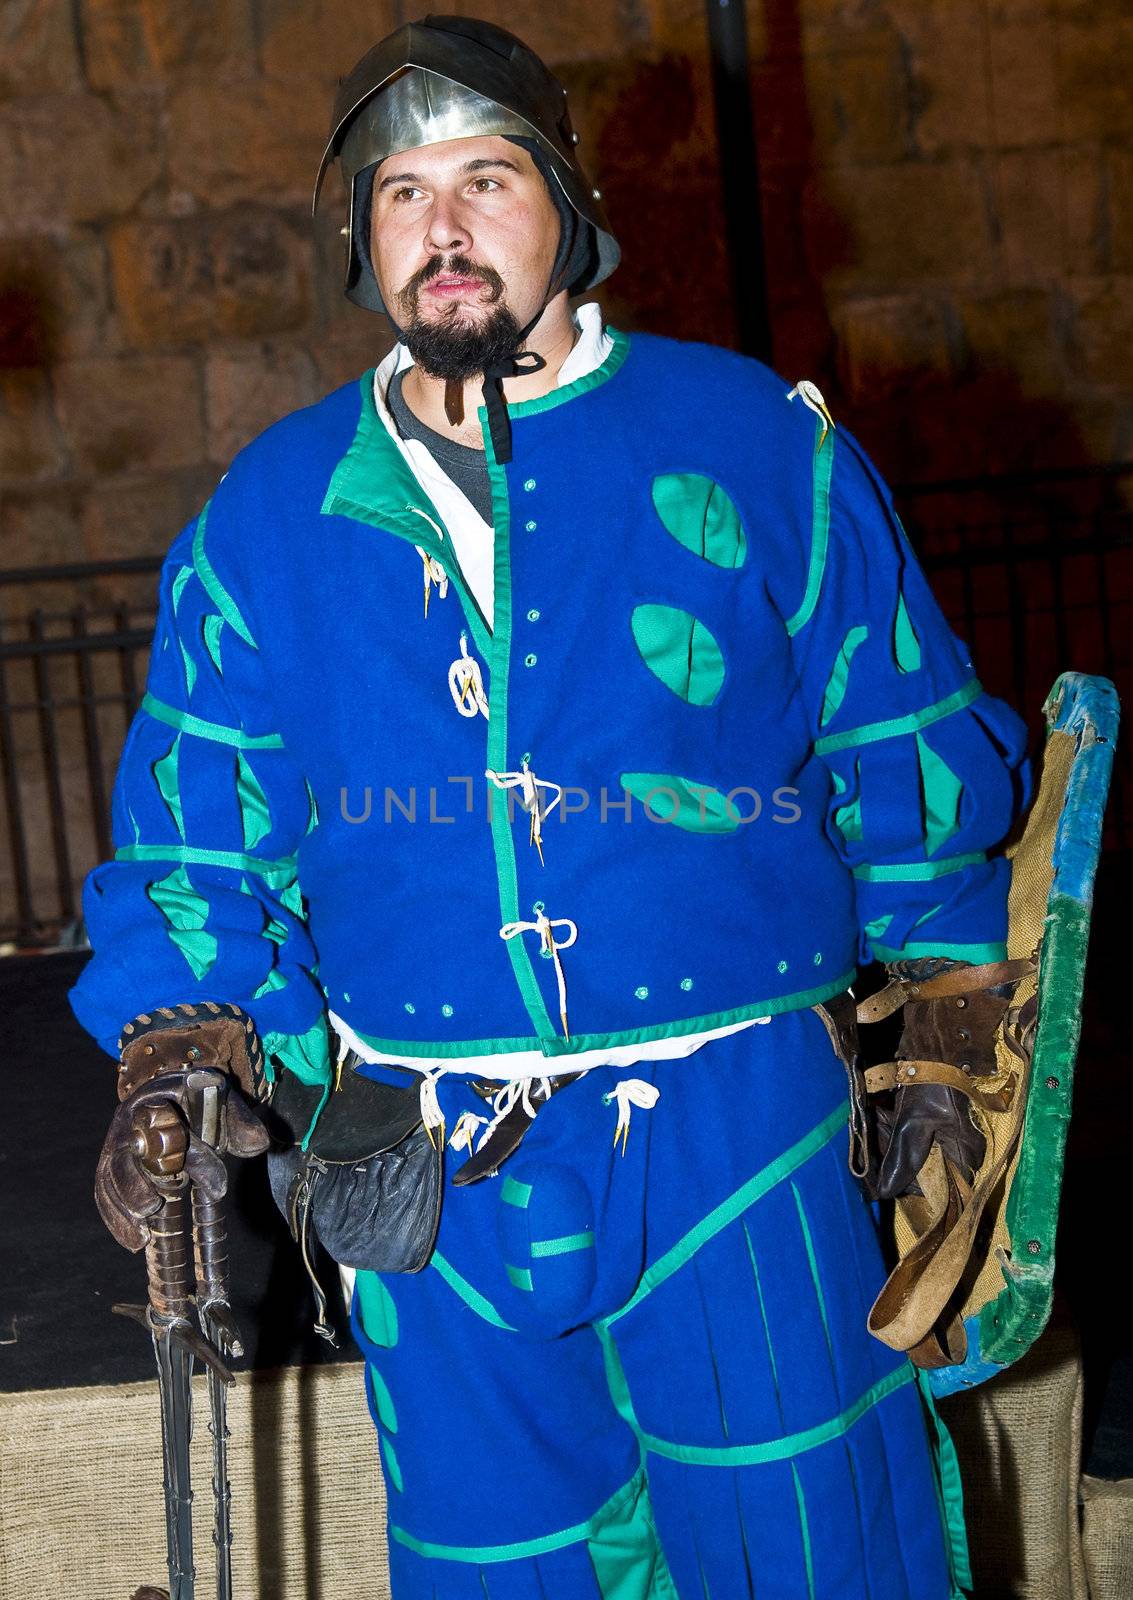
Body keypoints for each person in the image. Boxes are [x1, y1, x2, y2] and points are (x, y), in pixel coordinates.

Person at [72, 15, 1032, 1598]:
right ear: (361, 240)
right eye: (399, 195)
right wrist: (179, 1049)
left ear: (568, 213)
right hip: (424, 1166)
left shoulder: (752, 447)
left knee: (811, 1545)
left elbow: (900, 743)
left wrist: (938, 1014)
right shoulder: (268, 517)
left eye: (486, 178)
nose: (441, 230)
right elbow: (196, 834)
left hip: (737, 1132)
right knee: (489, 1567)